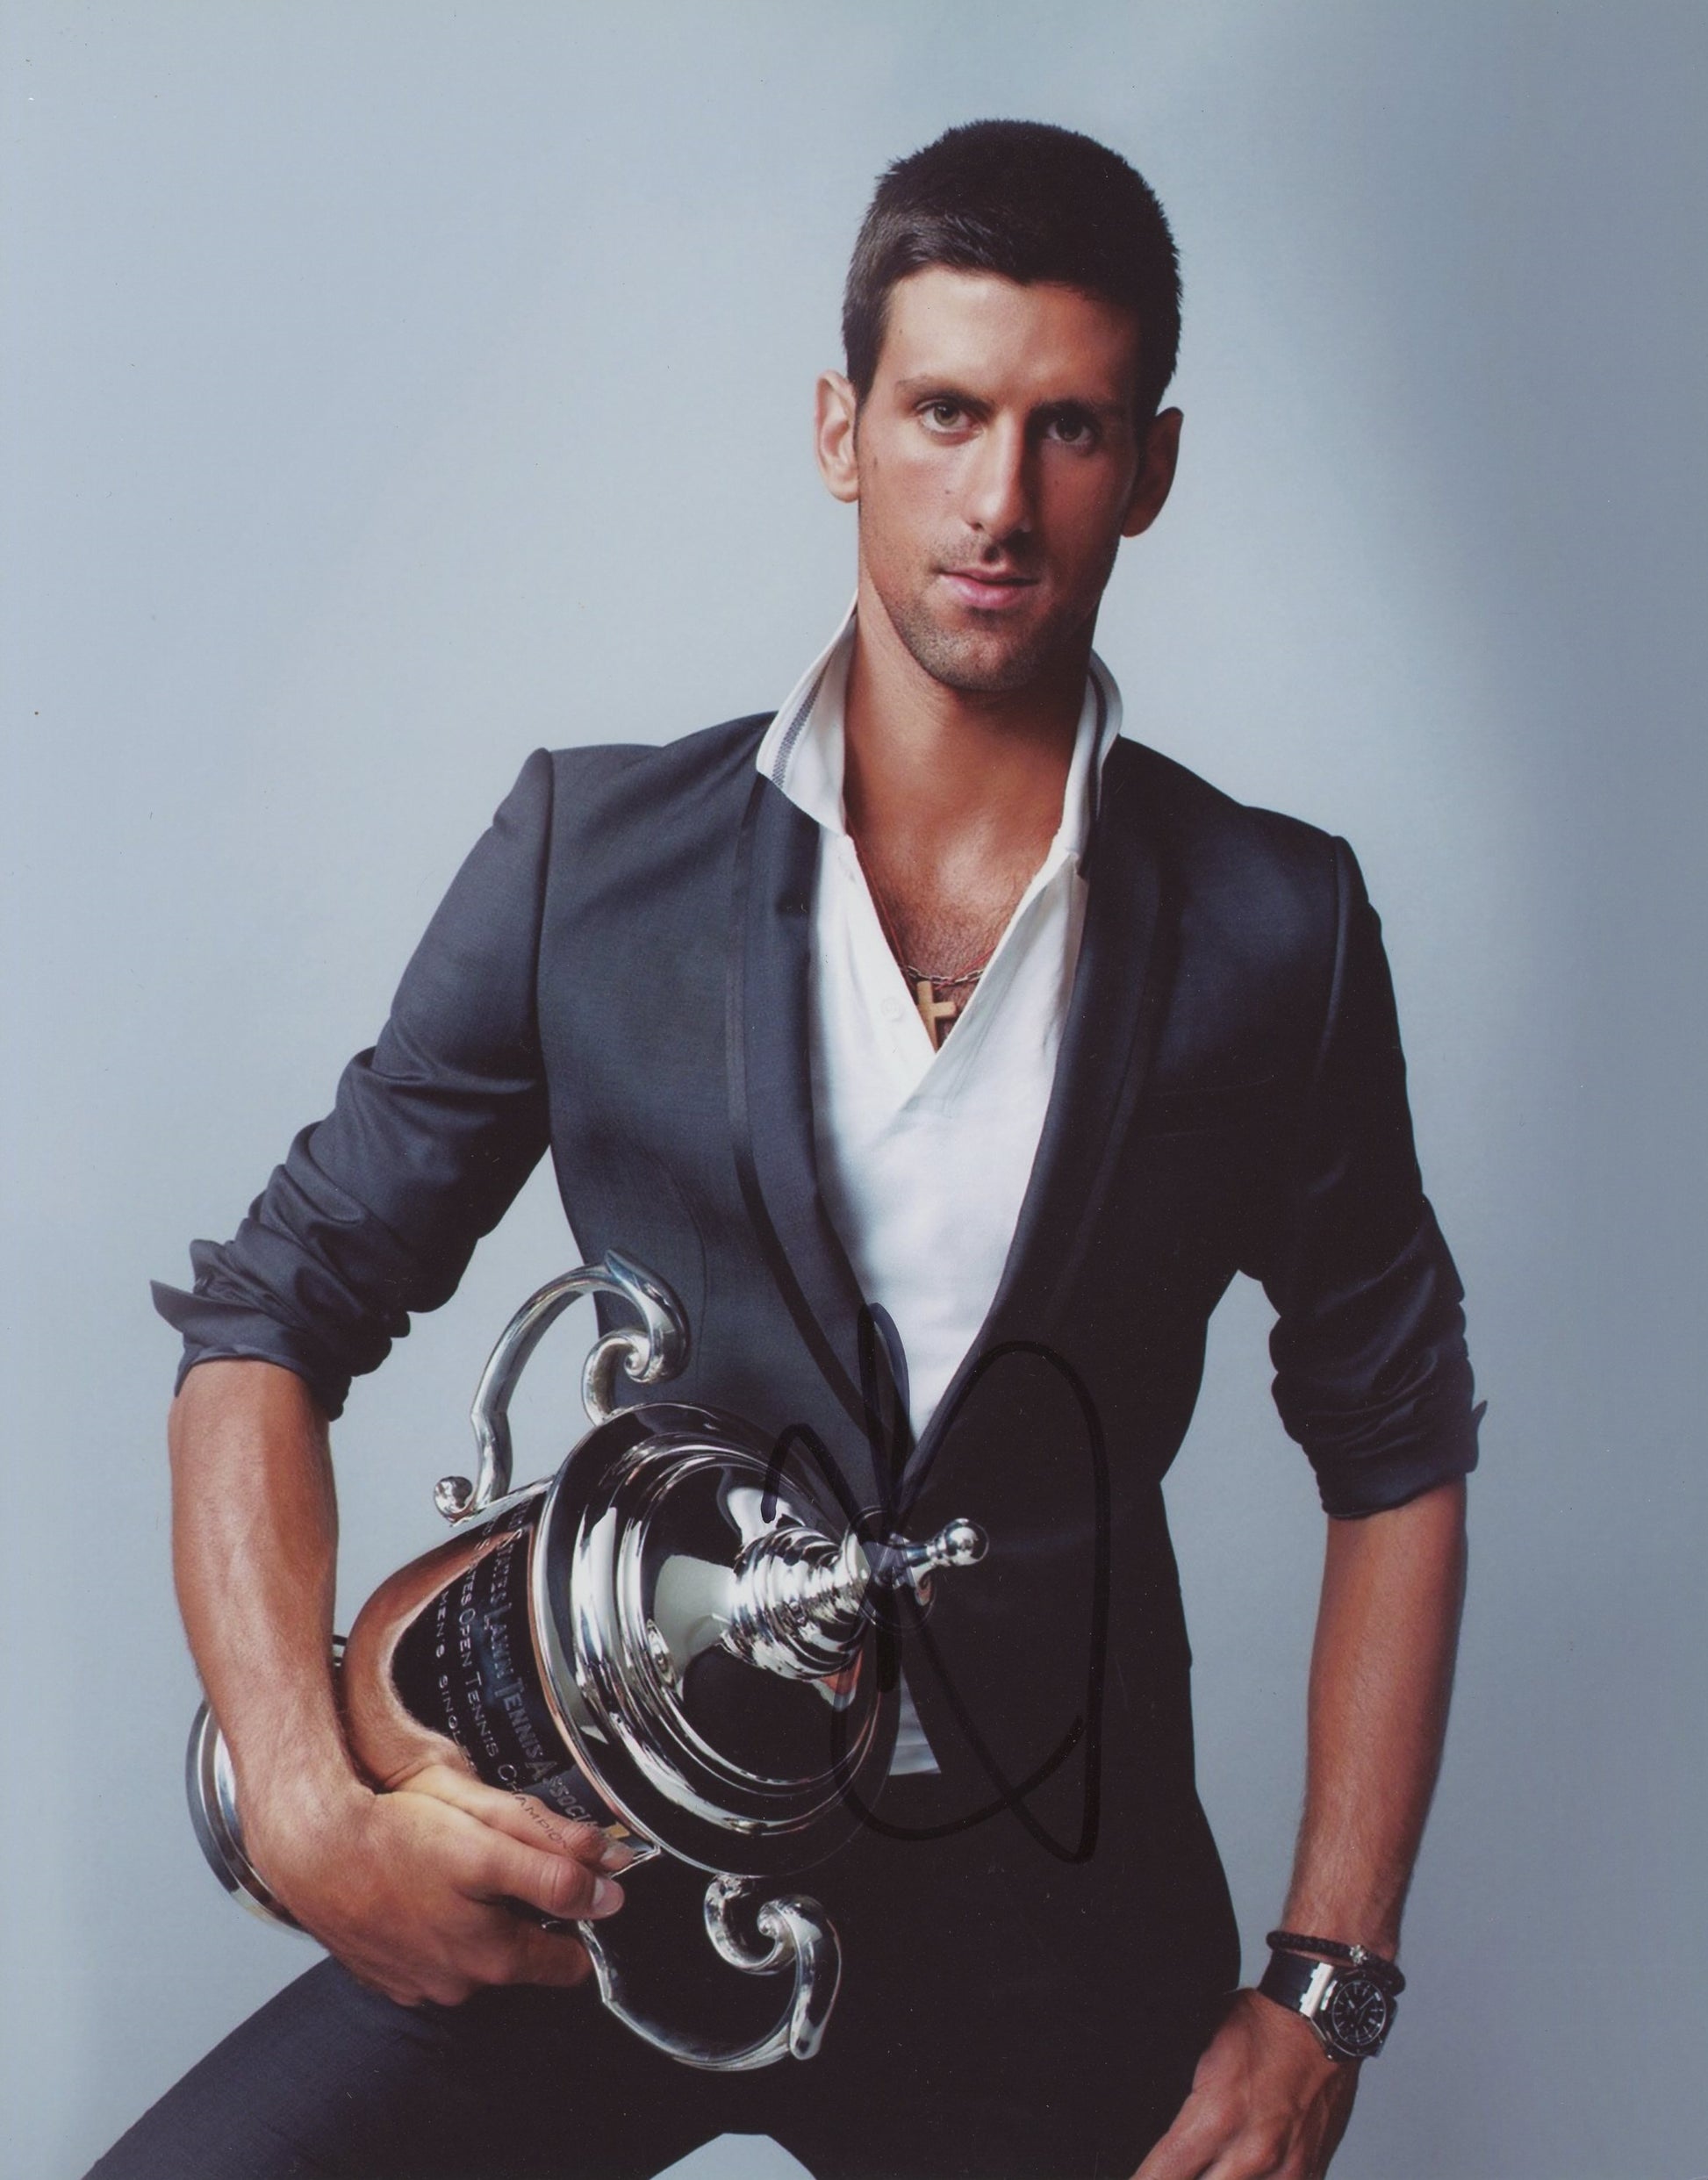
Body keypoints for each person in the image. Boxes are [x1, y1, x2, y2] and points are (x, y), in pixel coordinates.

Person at [97, 120, 1478, 2180]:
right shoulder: (586, 863)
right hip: (600, 1861)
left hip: (1056, 1944)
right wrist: (301, 1803)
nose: (997, 501)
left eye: (1069, 429)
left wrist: (1324, 1987)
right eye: (945, 414)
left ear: (1150, 469)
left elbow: (1397, 1444)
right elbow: (268, 1316)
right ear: (843, 431)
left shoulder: (1278, 928)